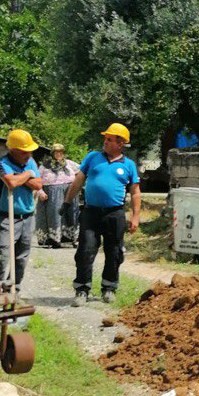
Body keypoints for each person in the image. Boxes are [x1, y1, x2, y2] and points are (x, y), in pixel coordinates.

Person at [62, 123, 141, 306]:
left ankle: (109, 288)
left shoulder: (128, 165)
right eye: (105, 138)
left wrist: (135, 217)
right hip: (91, 213)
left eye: (109, 139)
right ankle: (82, 289)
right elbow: (78, 181)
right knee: (85, 251)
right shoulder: (92, 157)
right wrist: (67, 202)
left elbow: (135, 192)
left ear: (120, 144)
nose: (104, 142)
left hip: (115, 214)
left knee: (114, 252)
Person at [0, 128, 43, 295]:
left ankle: (13, 288)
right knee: (3, 254)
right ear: (13, 150)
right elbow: (11, 183)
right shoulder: (0, 162)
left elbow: (38, 185)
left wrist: (22, 175)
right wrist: (28, 175)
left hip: (28, 216)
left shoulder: (30, 162)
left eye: (30, 151)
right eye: (25, 152)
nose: (29, 155)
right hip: (5, 216)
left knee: (22, 257)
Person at [36, 143, 80, 248]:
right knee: (55, 215)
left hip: (69, 192)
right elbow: (36, 181)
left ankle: (74, 239)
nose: (59, 154)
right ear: (52, 153)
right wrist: (40, 192)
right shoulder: (45, 165)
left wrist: (76, 186)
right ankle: (55, 239)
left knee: (72, 214)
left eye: (61, 152)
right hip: (52, 194)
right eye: (56, 152)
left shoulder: (69, 163)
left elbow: (81, 172)